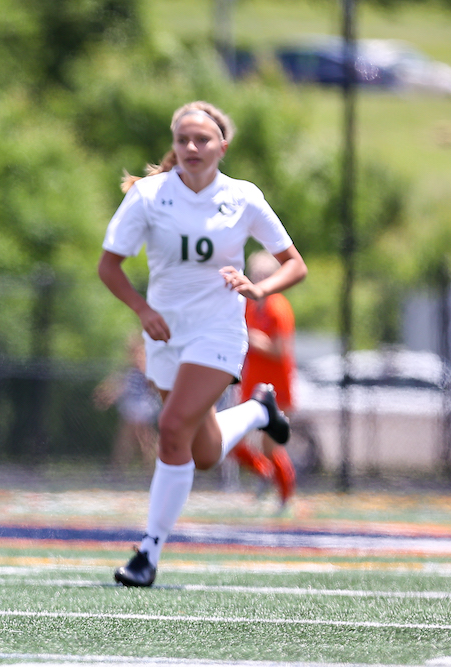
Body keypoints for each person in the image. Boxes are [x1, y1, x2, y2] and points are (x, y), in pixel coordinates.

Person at [97, 101, 307, 587]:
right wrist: (143, 311)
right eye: (183, 139)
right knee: (204, 452)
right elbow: (109, 266)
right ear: (173, 145)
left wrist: (260, 289)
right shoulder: (150, 196)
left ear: (222, 147)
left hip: (218, 331)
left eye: (203, 139)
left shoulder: (243, 197)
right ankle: (258, 411)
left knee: (171, 429)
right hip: (167, 333)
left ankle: (148, 552)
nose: (192, 147)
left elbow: (293, 262)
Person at [228, 250, 298, 507]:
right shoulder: (247, 305)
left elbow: (281, 349)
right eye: (254, 273)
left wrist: (256, 341)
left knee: (271, 446)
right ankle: (264, 473)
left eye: (263, 275)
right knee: (234, 441)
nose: (257, 279)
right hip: (251, 386)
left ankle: (286, 498)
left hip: (275, 388)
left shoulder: (278, 307)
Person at [92, 333, 160, 472]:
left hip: (144, 408)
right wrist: (107, 395)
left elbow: (155, 388)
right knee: (128, 438)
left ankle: (150, 467)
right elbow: (119, 386)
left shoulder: (148, 372)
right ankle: (118, 467)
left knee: (144, 439)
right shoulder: (128, 372)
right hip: (131, 408)